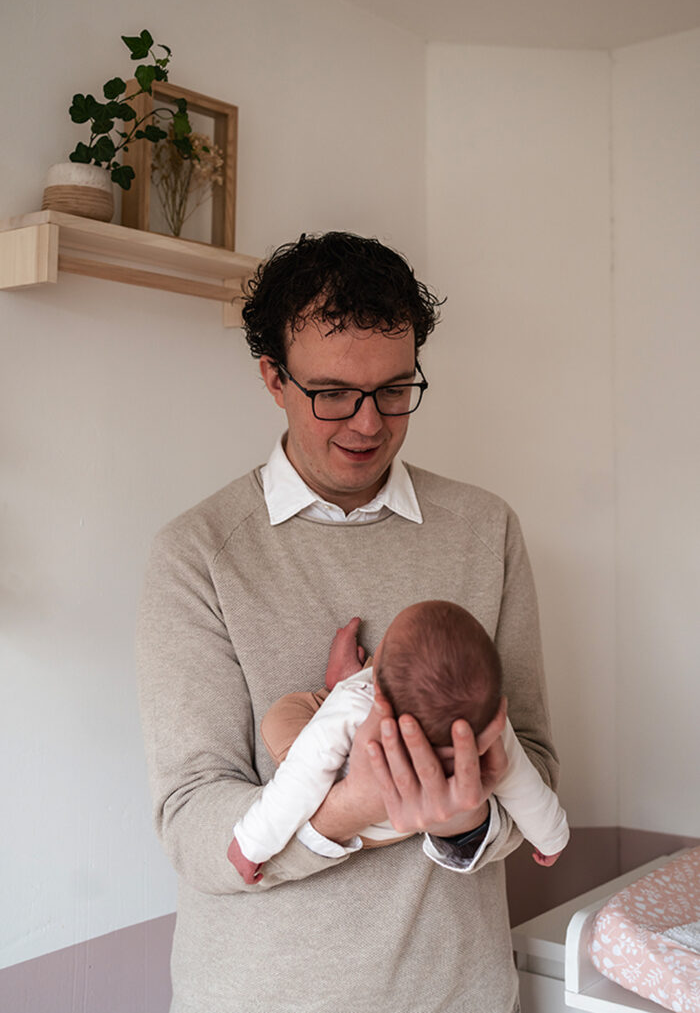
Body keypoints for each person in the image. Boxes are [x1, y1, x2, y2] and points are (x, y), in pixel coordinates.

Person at [136, 231, 560, 1013]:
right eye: (333, 392)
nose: (368, 423)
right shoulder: (198, 554)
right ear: (274, 378)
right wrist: (354, 808)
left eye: (394, 389)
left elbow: (531, 761)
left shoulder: (485, 529)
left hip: (459, 993)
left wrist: (465, 821)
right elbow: (193, 822)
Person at [228, 601, 569, 884]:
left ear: (375, 685)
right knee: (411, 680)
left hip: (370, 824)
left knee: (284, 722)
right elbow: (524, 784)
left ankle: (344, 683)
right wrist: (551, 836)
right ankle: (356, 678)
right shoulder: (490, 724)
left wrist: (251, 842)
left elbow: (301, 777)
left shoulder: (356, 704)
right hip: (416, 821)